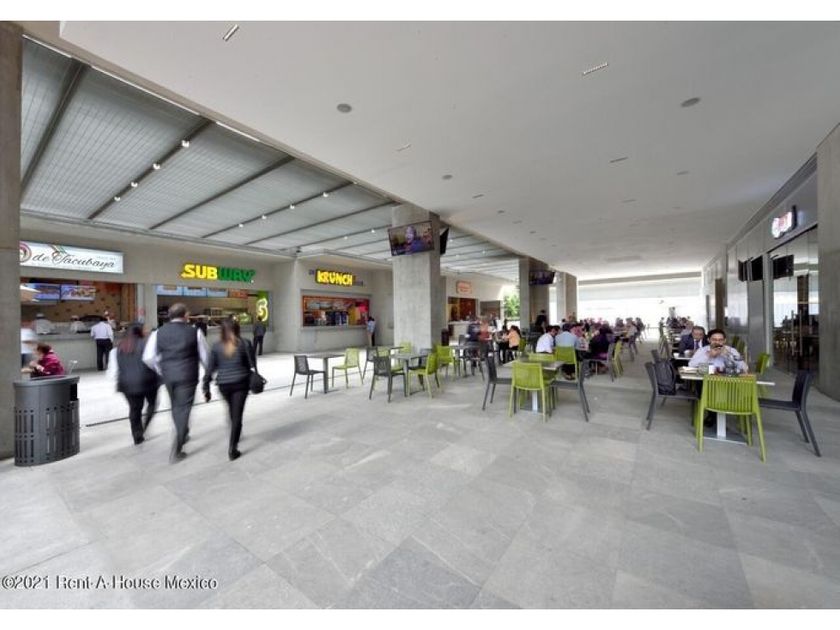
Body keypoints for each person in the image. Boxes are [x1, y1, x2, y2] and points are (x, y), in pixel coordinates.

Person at [143, 302, 209, 463]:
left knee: (175, 407)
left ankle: (183, 433)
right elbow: (206, 357)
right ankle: (177, 448)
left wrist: (161, 369)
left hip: (169, 376)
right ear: (185, 316)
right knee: (184, 409)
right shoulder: (195, 332)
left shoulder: (158, 333)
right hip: (188, 376)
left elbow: (148, 358)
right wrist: (209, 374)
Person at [202, 319, 255, 461]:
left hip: (223, 385)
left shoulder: (216, 346)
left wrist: (206, 386)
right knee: (237, 415)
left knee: (231, 411)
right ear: (237, 329)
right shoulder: (244, 343)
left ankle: (234, 432)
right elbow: (251, 363)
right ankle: (233, 448)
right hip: (240, 383)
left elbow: (210, 368)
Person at [107, 323, 159, 445]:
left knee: (135, 409)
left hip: (126, 384)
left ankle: (137, 435)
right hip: (147, 381)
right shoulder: (146, 344)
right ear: (139, 332)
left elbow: (113, 371)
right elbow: (153, 361)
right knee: (152, 404)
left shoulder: (117, 348)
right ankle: (145, 426)